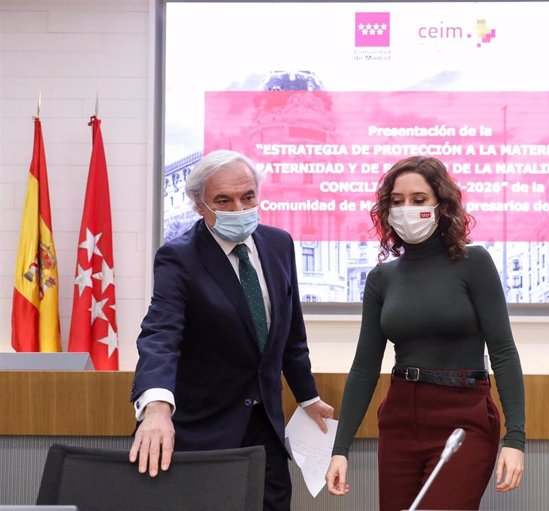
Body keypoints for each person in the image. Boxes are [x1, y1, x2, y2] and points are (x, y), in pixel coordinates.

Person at [129, 149, 334, 511]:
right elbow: (161, 333)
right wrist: (156, 407)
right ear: (200, 205)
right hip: (204, 432)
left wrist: (308, 397)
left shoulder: (279, 244)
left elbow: (291, 335)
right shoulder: (180, 257)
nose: (239, 209)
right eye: (223, 200)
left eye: (248, 196)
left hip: (266, 433)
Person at [325, 156, 525, 511]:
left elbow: (504, 351)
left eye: (418, 199)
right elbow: (364, 368)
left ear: (441, 204)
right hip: (401, 418)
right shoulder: (381, 278)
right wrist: (340, 449)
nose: (406, 209)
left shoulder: (474, 262)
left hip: (463, 418)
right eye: (397, 201)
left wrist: (516, 439)